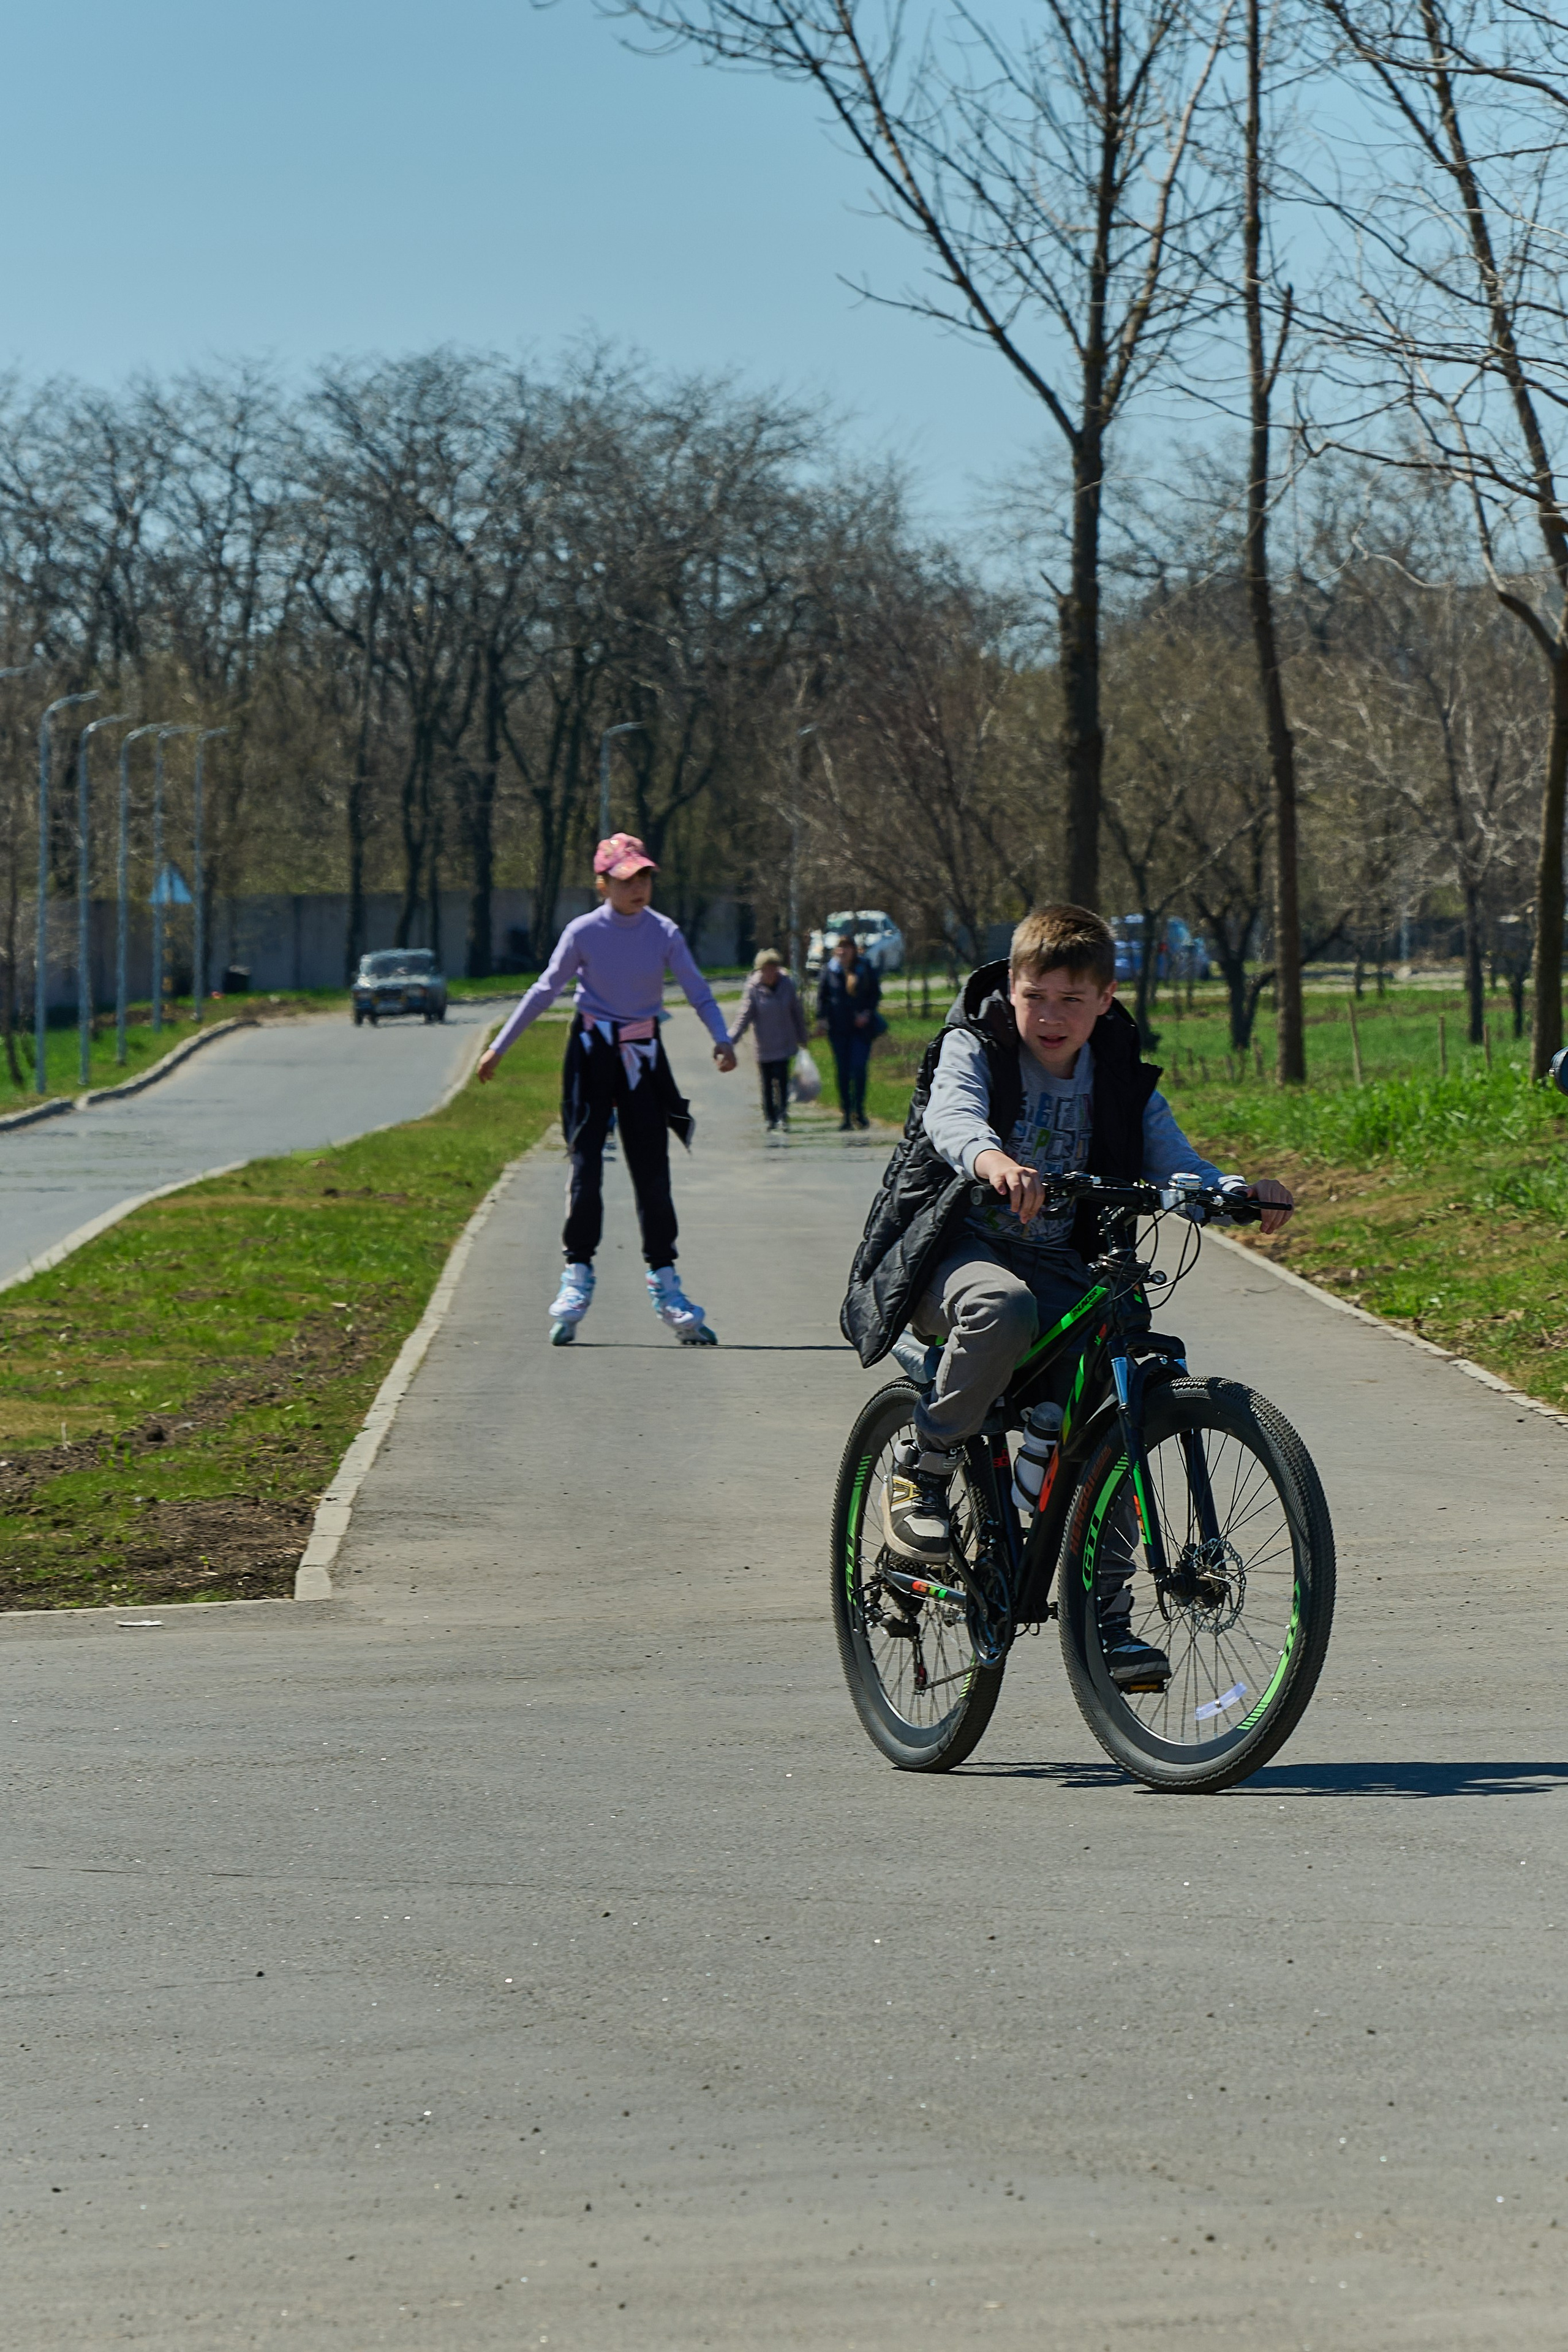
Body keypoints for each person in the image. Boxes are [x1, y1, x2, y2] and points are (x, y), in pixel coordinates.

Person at [839, 903, 1292, 1687]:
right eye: (1035, 998)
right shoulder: (974, 1045)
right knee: (1002, 1308)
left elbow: (1170, 1157)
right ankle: (928, 1459)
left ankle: (1107, 1624)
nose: (1050, 1018)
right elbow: (950, 1117)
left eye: (1071, 1002)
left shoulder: (1115, 1072)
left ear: (1106, 1000)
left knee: (1120, 1404)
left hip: (1060, 1267)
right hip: (958, 1252)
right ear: (1010, 989)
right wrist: (989, 1160)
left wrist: (1229, 1192)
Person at [477, 833, 737, 1345]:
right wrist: (499, 1047)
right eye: (626, 879)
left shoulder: (664, 932)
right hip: (591, 1053)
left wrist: (722, 1038)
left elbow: (697, 988)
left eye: (644, 876)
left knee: (651, 1170)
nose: (639, 887)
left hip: (642, 1056)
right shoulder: (584, 932)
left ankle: (666, 1282)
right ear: (603, 884)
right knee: (586, 1164)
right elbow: (545, 988)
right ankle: (577, 1274)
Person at [729, 948, 809, 1130]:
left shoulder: (787, 984)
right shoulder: (753, 988)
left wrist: (802, 1036)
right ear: (760, 970)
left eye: (773, 968)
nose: (770, 973)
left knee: (781, 1081)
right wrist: (730, 1039)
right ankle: (770, 1117)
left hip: (784, 1042)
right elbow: (744, 1015)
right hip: (763, 1045)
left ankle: (783, 1115)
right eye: (766, 969)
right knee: (766, 1083)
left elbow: (796, 1012)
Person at [816, 930, 882, 1131]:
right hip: (838, 1029)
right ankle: (845, 1114)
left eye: (847, 947)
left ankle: (859, 1111)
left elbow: (875, 994)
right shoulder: (830, 970)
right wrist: (822, 1019)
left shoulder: (864, 968)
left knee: (859, 1069)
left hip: (860, 1030)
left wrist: (867, 1013)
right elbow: (823, 997)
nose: (843, 951)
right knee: (843, 1072)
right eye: (840, 948)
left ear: (854, 950)